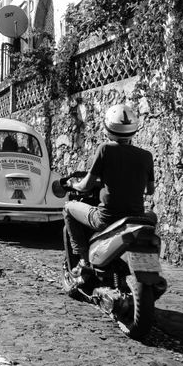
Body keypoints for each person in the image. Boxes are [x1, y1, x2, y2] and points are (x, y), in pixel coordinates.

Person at [63, 103, 155, 290]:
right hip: (134, 217)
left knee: (68, 208)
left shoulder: (106, 149)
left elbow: (87, 184)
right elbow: (150, 190)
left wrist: (73, 184)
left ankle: (83, 260)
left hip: (106, 218)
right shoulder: (146, 156)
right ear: (133, 129)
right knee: (152, 217)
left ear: (108, 128)